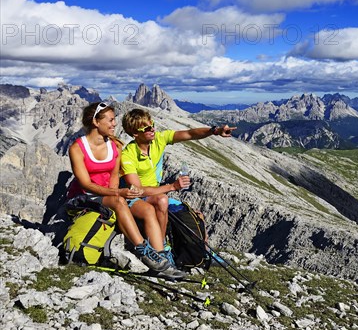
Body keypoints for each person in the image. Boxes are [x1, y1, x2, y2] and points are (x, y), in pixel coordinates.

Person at [67, 102, 185, 279]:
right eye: (111, 120)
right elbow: (85, 184)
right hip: (85, 197)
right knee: (118, 201)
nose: (115, 124)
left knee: (147, 209)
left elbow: (114, 176)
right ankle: (145, 253)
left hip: (111, 195)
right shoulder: (77, 148)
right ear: (95, 122)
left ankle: (161, 258)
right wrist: (117, 194)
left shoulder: (115, 146)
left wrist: (116, 192)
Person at [120, 108, 235, 266]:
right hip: (139, 198)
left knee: (196, 215)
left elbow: (189, 134)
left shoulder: (158, 140)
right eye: (146, 128)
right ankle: (162, 252)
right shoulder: (128, 154)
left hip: (157, 193)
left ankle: (201, 252)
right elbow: (138, 190)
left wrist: (215, 131)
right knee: (162, 200)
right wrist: (172, 186)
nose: (152, 129)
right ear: (135, 133)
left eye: (152, 124)